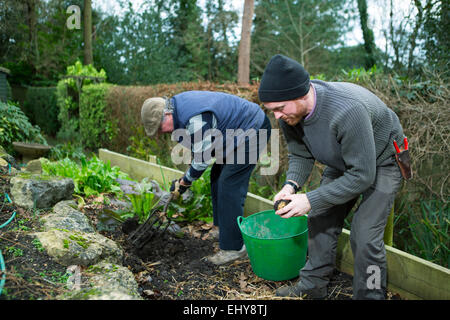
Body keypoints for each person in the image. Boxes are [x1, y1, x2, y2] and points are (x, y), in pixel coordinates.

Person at [258, 54, 405, 300]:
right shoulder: (288, 113)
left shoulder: (347, 110)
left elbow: (362, 176)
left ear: (303, 95)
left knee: (366, 235)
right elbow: (300, 154)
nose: (277, 116)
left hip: (382, 162)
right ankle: (312, 286)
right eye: (271, 110)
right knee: (319, 218)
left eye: (280, 109)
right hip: (344, 159)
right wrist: (290, 186)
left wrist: (310, 199)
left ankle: (371, 295)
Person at [141, 90, 271, 265]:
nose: (160, 133)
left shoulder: (195, 119)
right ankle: (223, 229)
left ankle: (234, 249)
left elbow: (202, 161)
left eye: (159, 128)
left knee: (229, 185)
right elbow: (201, 149)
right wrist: (185, 178)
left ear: (166, 114)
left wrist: (185, 182)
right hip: (234, 134)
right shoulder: (179, 107)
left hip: (253, 129)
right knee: (217, 176)